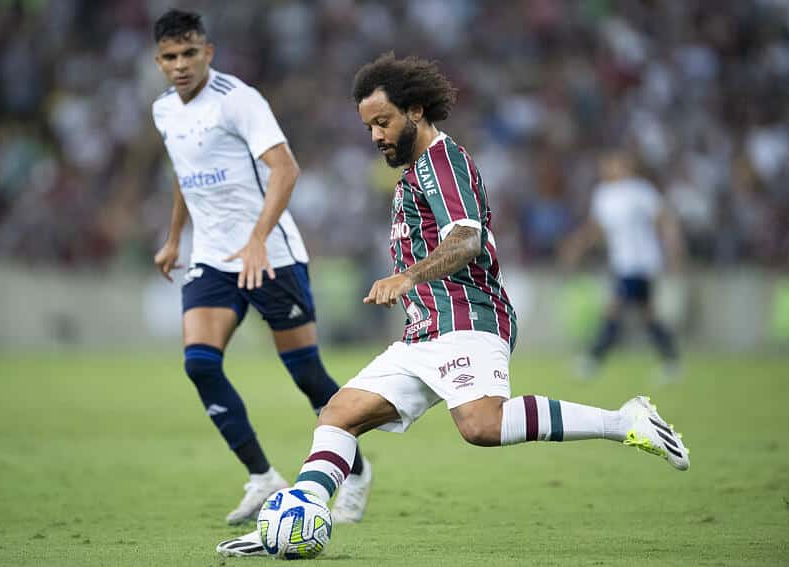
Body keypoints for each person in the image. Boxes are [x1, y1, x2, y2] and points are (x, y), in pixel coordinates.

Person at [217, 53, 690, 557]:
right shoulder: (415, 172)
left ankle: (624, 421)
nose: (376, 136)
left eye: (383, 122)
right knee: (339, 414)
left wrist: (407, 276)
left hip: (467, 317)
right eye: (369, 127)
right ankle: (290, 521)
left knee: (482, 425)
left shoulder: (443, 163)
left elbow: (466, 239)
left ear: (415, 110)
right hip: (425, 330)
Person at [150, 9, 372, 528]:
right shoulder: (164, 111)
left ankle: (357, 472)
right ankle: (263, 477)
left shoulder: (238, 100)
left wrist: (255, 241)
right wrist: (174, 237)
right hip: (213, 259)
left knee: (307, 376)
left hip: (271, 257)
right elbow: (185, 173)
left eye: (189, 53)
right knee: (200, 364)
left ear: (208, 52)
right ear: (158, 61)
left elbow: (286, 169)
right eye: (169, 57)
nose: (180, 65)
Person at [560, 151, 683, 380]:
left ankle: (593, 360)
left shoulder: (640, 191)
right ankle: (671, 360)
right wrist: (577, 244)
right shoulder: (603, 194)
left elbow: (663, 218)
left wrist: (673, 246)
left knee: (614, 309)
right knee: (648, 314)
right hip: (622, 262)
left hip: (641, 262)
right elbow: (596, 228)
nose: (609, 168)